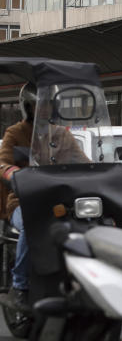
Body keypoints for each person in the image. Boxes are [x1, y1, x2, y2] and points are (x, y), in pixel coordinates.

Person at [0, 84, 37, 310]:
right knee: (33, 226)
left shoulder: (61, 135)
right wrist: (14, 173)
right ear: (28, 107)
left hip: (55, 200)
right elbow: (3, 162)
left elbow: (80, 160)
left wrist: (95, 167)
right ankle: (20, 286)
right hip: (22, 200)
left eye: (49, 106)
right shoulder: (14, 133)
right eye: (39, 106)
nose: (44, 110)